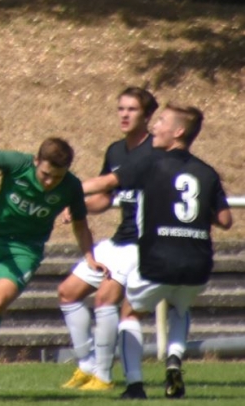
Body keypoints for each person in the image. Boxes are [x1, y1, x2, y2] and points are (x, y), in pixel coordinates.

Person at [0, 138, 107, 403]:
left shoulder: (71, 186)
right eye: (46, 174)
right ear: (36, 161)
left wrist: (89, 257)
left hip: (25, 251)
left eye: (57, 177)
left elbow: (80, 224)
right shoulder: (18, 164)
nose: (50, 182)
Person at [83, 104, 232, 400]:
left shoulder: (150, 162)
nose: (154, 126)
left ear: (178, 132)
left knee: (130, 313)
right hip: (198, 263)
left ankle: (135, 385)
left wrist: (60, 189)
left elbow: (106, 183)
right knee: (180, 308)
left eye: (161, 121)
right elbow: (226, 220)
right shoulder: (207, 172)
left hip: (157, 260)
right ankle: (174, 360)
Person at [58, 87, 158, 390]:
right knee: (67, 292)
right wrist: (81, 206)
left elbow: (107, 181)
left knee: (105, 297)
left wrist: (67, 190)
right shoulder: (115, 150)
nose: (124, 115)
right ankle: (86, 366)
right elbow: (106, 196)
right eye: (121, 109)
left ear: (147, 116)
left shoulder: (154, 150)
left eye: (132, 109)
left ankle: (103, 375)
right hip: (119, 240)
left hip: (143, 244)